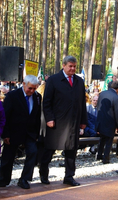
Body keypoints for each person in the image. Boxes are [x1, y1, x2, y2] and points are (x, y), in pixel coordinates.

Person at [40, 55, 87, 186]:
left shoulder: (79, 81)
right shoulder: (53, 80)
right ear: (64, 65)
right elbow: (47, 102)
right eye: (70, 66)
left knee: (72, 150)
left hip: (73, 122)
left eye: (74, 67)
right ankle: (43, 173)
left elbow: (82, 102)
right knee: (49, 150)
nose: (72, 69)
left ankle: (69, 176)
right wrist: (49, 118)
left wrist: (83, 121)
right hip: (56, 122)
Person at [0, 75, 41, 189]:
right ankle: (3, 180)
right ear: (24, 84)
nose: (32, 91)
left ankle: (24, 179)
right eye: (30, 88)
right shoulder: (12, 96)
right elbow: (5, 116)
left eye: (34, 88)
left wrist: (36, 133)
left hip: (30, 132)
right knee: (8, 157)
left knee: (33, 152)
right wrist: (5, 134)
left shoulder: (37, 97)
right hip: (13, 132)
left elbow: (36, 116)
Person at [95, 81, 118, 164]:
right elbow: (117, 112)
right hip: (110, 121)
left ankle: (99, 155)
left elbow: (98, 106)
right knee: (109, 141)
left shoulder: (102, 94)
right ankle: (106, 158)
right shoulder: (116, 97)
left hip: (101, 120)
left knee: (102, 139)